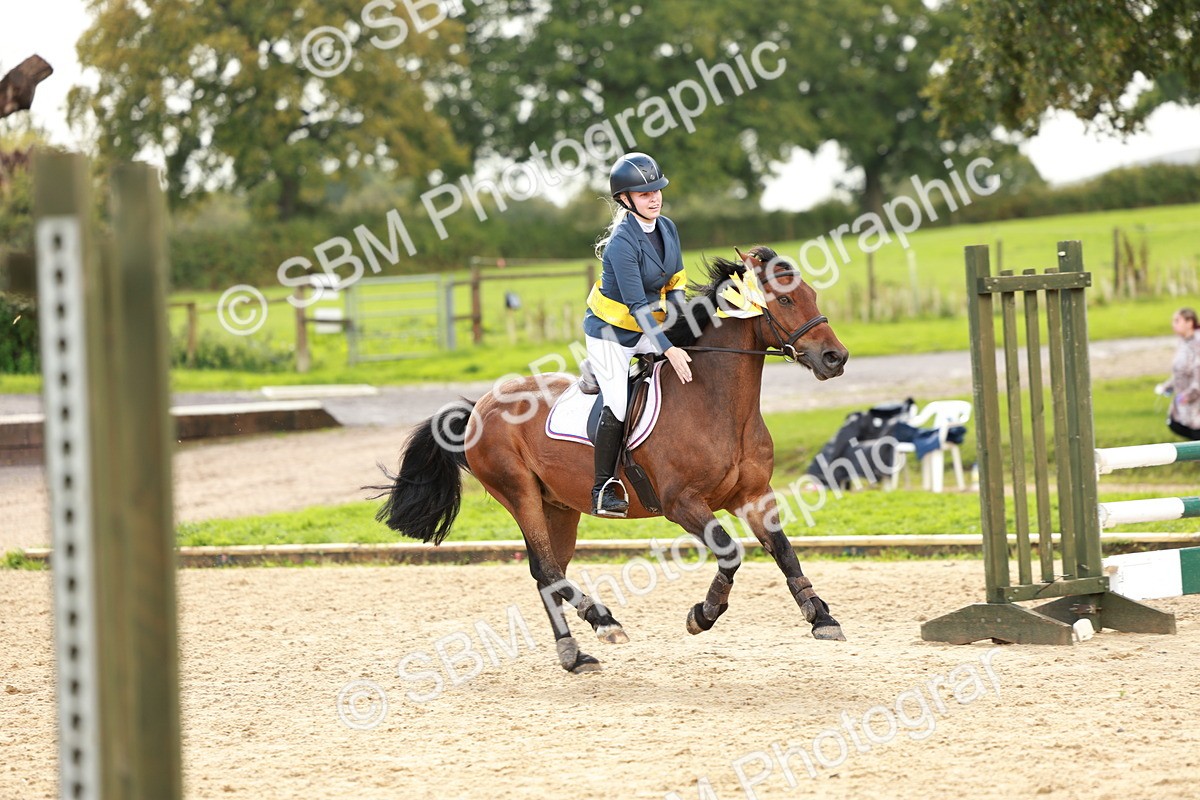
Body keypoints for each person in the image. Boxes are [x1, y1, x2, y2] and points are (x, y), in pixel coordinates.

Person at [582, 152, 693, 517]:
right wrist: (668, 348)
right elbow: (637, 306)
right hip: (610, 335)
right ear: (625, 200)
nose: (655, 198)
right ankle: (603, 488)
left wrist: (680, 326)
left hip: (647, 328)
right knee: (616, 402)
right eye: (645, 194)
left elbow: (675, 281)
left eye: (657, 190)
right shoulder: (620, 245)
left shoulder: (668, 228)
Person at [1156, 308, 1200, 440]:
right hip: (1185, 398)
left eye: (1177, 321)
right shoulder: (1183, 342)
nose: (1173, 324)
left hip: (1195, 396)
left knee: (1194, 430)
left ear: (1189, 322)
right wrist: (1167, 386)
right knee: (1175, 423)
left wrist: (1190, 394)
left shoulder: (1197, 344)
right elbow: (1179, 371)